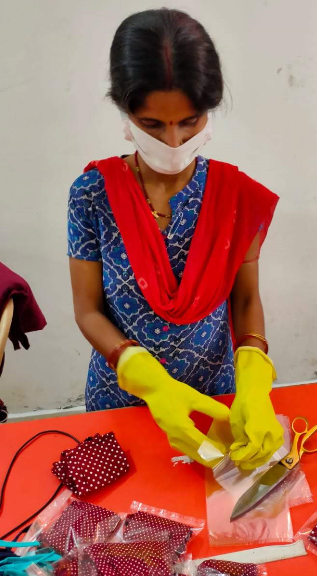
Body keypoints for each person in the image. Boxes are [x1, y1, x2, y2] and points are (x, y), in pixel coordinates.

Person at [68, 8, 283, 470]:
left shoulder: (235, 198)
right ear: (126, 111)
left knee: (223, 516)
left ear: (209, 111)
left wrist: (253, 374)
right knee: (118, 530)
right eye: (152, 124)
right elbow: (87, 309)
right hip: (123, 394)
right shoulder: (92, 194)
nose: (172, 141)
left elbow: (246, 301)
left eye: (189, 122)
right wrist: (145, 378)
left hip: (215, 395)